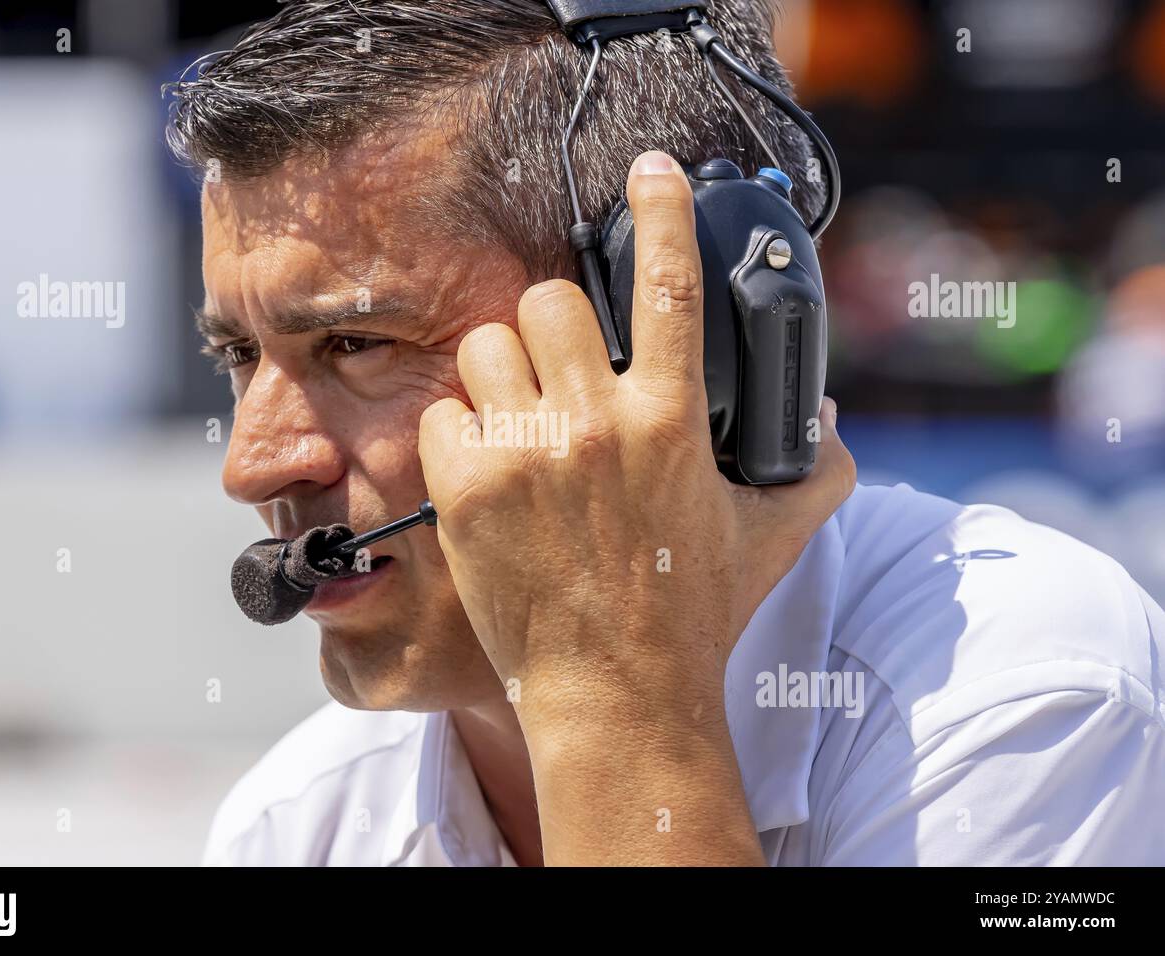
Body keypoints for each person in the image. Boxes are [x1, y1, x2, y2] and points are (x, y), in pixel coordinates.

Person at [165, 0, 1165, 865]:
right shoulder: (295, 823)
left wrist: (600, 684)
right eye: (240, 357)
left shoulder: (1025, 691)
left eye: (354, 341)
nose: (253, 461)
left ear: (676, 335)